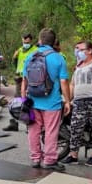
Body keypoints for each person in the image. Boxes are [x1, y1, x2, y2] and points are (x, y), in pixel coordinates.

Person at [21, 28, 70, 171]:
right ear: (54, 42)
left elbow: (25, 80)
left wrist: (24, 98)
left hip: (32, 100)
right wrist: (67, 101)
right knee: (51, 131)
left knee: (33, 130)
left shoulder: (30, 56)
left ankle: (35, 159)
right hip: (52, 102)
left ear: (40, 40)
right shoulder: (58, 58)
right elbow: (63, 82)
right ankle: (49, 160)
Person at [61, 41, 92, 166]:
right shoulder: (79, 66)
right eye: (75, 49)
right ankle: (73, 155)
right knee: (75, 127)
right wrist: (68, 101)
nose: (76, 51)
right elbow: (72, 84)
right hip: (79, 101)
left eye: (79, 49)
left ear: (90, 50)